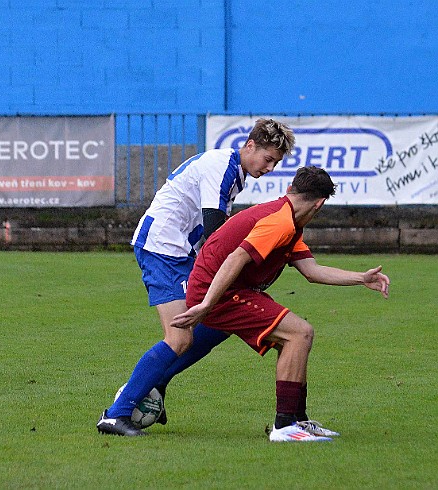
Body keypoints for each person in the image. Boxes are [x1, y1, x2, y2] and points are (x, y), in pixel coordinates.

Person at [97, 119, 296, 436]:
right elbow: (215, 231)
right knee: (180, 337)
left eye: (275, 162)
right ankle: (115, 414)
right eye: (268, 159)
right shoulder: (221, 167)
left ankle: (155, 382)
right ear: (250, 146)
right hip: (161, 249)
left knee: (220, 320)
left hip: (180, 253)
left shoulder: (232, 171)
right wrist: (240, 270)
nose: (270, 168)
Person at [169, 166, 390, 442]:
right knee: (300, 332)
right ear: (319, 204)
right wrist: (205, 305)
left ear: (290, 190)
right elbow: (235, 259)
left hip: (225, 289)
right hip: (216, 292)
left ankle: (298, 420)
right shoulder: (280, 222)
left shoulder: (289, 220)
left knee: (296, 337)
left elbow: (311, 271)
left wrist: (361, 278)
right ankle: (284, 426)